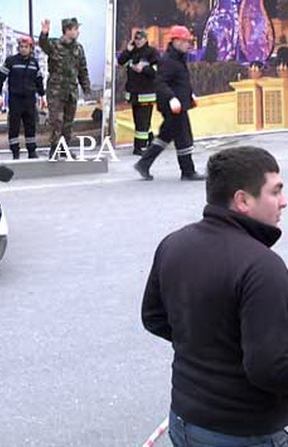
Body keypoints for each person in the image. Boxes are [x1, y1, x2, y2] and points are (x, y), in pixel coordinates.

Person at [142, 146, 288, 446]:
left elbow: (154, 318)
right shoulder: (262, 267)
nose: (284, 202)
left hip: (184, 420)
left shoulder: (174, 244)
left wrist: (209, 347)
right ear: (242, 200)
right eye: (275, 192)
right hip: (243, 432)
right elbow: (270, 368)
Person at [134, 25, 204, 181]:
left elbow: (180, 81)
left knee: (166, 134)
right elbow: (160, 83)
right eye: (186, 41)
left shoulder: (177, 59)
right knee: (183, 137)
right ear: (176, 41)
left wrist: (190, 94)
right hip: (173, 106)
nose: (188, 45)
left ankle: (143, 164)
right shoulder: (168, 60)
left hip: (179, 103)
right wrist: (172, 98)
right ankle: (188, 171)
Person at [38, 17, 91, 159]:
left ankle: (64, 148)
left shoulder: (78, 48)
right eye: (75, 29)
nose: (78, 32)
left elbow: (83, 69)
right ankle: (54, 149)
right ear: (67, 30)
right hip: (56, 91)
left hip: (71, 91)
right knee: (57, 121)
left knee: (68, 123)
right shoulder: (55, 44)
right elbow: (43, 45)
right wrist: (44, 33)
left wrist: (86, 88)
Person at [0, 33, 46, 159]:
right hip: (15, 99)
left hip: (29, 99)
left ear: (31, 48)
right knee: (14, 126)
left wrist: (42, 95)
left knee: (30, 126)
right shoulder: (11, 61)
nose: (23, 48)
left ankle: (32, 151)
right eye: (21, 46)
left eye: (26, 46)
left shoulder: (34, 63)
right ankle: (15, 152)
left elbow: (39, 80)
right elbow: (0, 78)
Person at [118, 30, 159, 155]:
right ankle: (151, 139)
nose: (138, 41)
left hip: (146, 94)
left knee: (142, 122)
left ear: (146, 39)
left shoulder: (151, 52)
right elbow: (121, 62)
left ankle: (139, 147)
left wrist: (144, 68)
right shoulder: (132, 52)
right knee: (140, 120)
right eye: (136, 39)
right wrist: (128, 50)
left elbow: (157, 71)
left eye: (140, 39)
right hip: (134, 93)